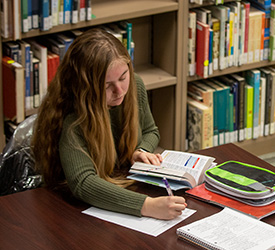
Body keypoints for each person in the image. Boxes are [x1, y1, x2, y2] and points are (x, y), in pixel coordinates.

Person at [32, 28, 186, 220]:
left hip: (121, 182)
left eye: (123, 77)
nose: (119, 91)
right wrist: (146, 206)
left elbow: (150, 131)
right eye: (106, 85)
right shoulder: (72, 117)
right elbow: (83, 182)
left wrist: (140, 151)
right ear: (86, 88)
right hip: (74, 210)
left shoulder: (135, 86)